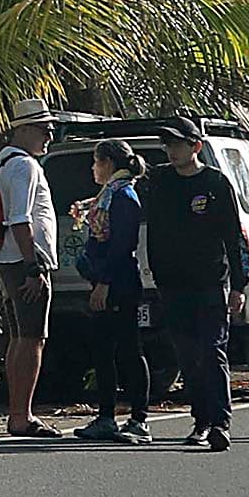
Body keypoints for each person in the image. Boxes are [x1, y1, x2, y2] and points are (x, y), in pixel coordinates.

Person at [135, 123, 249, 453]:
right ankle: (201, 420)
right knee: (187, 355)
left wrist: (239, 285)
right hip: (172, 284)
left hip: (210, 283)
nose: (172, 151)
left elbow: (234, 237)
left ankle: (219, 422)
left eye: (178, 144)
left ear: (196, 146)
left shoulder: (215, 183)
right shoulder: (159, 181)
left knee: (212, 350)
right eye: (167, 144)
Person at [68, 140, 155, 445]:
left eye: (96, 162)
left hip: (119, 283)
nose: (93, 169)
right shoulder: (105, 196)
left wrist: (104, 283)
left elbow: (122, 246)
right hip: (101, 280)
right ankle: (106, 416)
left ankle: (139, 418)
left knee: (129, 349)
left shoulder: (124, 196)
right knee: (102, 350)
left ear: (108, 163)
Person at [0, 109, 62, 437]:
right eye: (44, 130)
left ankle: (18, 413)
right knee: (32, 338)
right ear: (25, 129)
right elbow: (20, 219)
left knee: (19, 337)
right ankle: (22, 415)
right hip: (22, 262)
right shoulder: (23, 165)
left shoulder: (2, 162)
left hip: (6, 260)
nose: (49, 136)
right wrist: (34, 266)